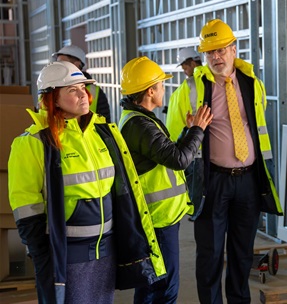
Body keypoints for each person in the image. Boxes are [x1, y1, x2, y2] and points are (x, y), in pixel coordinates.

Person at [8, 61, 167, 304]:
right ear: (52, 98)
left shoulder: (102, 133)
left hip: (106, 250)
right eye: (73, 90)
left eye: (83, 87)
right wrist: (44, 258)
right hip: (70, 257)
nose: (84, 95)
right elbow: (27, 209)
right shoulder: (32, 143)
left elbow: (126, 189)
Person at [166, 19, 283, 304]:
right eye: (209, 52)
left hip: (248, 180)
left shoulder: (252, 83)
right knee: (210, 253)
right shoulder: (191, 89)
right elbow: (172, 136)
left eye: (220, 50)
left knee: (243, 252)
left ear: (233, 49)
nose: (215, 57)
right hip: (212, 182)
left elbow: (254, 125)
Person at [118, 56, 213, 304]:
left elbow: (163, 152)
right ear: (150, 91)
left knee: (154, 285)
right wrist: (198, 129)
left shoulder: (139, 119)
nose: (163, 89)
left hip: (160, 218)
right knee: (162, 289)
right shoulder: (139, 124)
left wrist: (186, 131)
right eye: (161, 85)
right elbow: (179, 159)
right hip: (158, 219)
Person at [52, 44, 112, 122]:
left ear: (77, 65)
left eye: (62, 63)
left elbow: (104, 123)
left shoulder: (94, 91)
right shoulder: (50, 87)